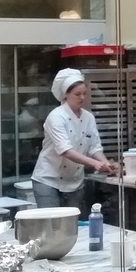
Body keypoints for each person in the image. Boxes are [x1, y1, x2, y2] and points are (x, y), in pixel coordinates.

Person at [30, 68, 116, 215]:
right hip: (48, 180)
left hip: (75, 182)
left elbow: (94, 147)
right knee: (52, 223)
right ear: (66, 94)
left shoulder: (88, 117)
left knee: (72, 223)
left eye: (84, 93)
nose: (82, 97)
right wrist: (94, 163)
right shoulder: (56, 117)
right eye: (77, 94)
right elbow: (66, 151)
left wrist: (105, 163)